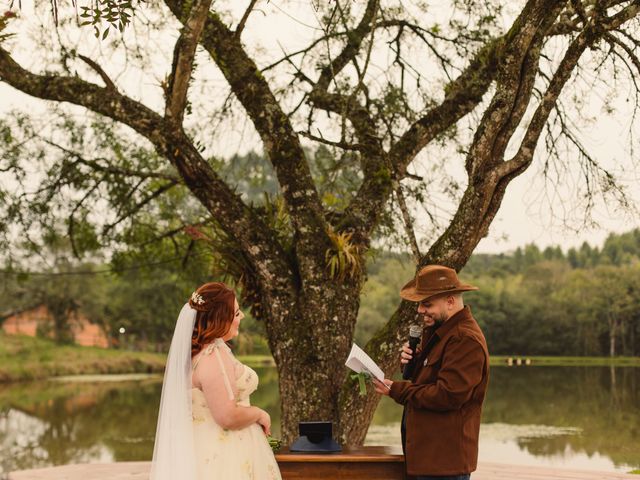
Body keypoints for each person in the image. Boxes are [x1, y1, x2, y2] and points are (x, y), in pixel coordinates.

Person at [150, 282, 281, 480]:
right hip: (226, 453)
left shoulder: (196, 355)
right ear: (220, 318)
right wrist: (259, 414)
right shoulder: (213, 356)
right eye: (236, 313)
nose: (242, 317)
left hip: (200, 447)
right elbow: (227, 417)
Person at [373, 265, 489, 480]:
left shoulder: (464, 339)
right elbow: (429, 380)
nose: (420, 310)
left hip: (443, 465)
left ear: (450, 301)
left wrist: (397, 390)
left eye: (427, 304)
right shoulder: (442, 333)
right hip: (429, 460)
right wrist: (414, 363)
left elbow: (447, 395)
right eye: (419, 304)